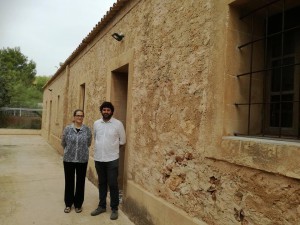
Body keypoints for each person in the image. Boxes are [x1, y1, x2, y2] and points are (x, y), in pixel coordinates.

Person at [91, 101, 126, 220]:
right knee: (101, 183)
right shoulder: (96, 123)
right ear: (101, 111)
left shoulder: (118, 124)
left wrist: (111, 150)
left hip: (112, 159)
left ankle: (114, 208)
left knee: (112, 184)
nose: (106, 112)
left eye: (108, 110)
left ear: (111, 112)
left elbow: (122, 141)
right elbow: (96, 138)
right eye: (104, 110)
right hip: (98, 158)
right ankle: (101, 206)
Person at [61, 109, 92, 213]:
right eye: (78, 115)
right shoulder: (67, 129)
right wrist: (70, 151)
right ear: (74, 117)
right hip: (68, 159)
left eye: (81, 116)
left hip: (82, 160)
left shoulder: (87, 130)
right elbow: (63, 142)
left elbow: (88, 143)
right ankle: (68, 204)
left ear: (83, 117)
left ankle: (78, 204)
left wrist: (80, 151)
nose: (79, 117)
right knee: (69, 182)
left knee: (80, 182)